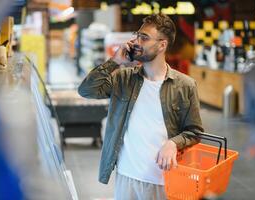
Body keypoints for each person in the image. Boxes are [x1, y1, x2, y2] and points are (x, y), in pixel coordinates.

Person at [78, 13, 203, 200]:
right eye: (137, 35)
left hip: (162, 181)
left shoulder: (185, 85)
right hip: (126, 177)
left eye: (144, 38)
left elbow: (194, 131)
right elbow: (86, 90)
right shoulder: (123, 78)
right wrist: (114, 62)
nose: (136, 41)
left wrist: (173, 143)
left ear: (162, 45)